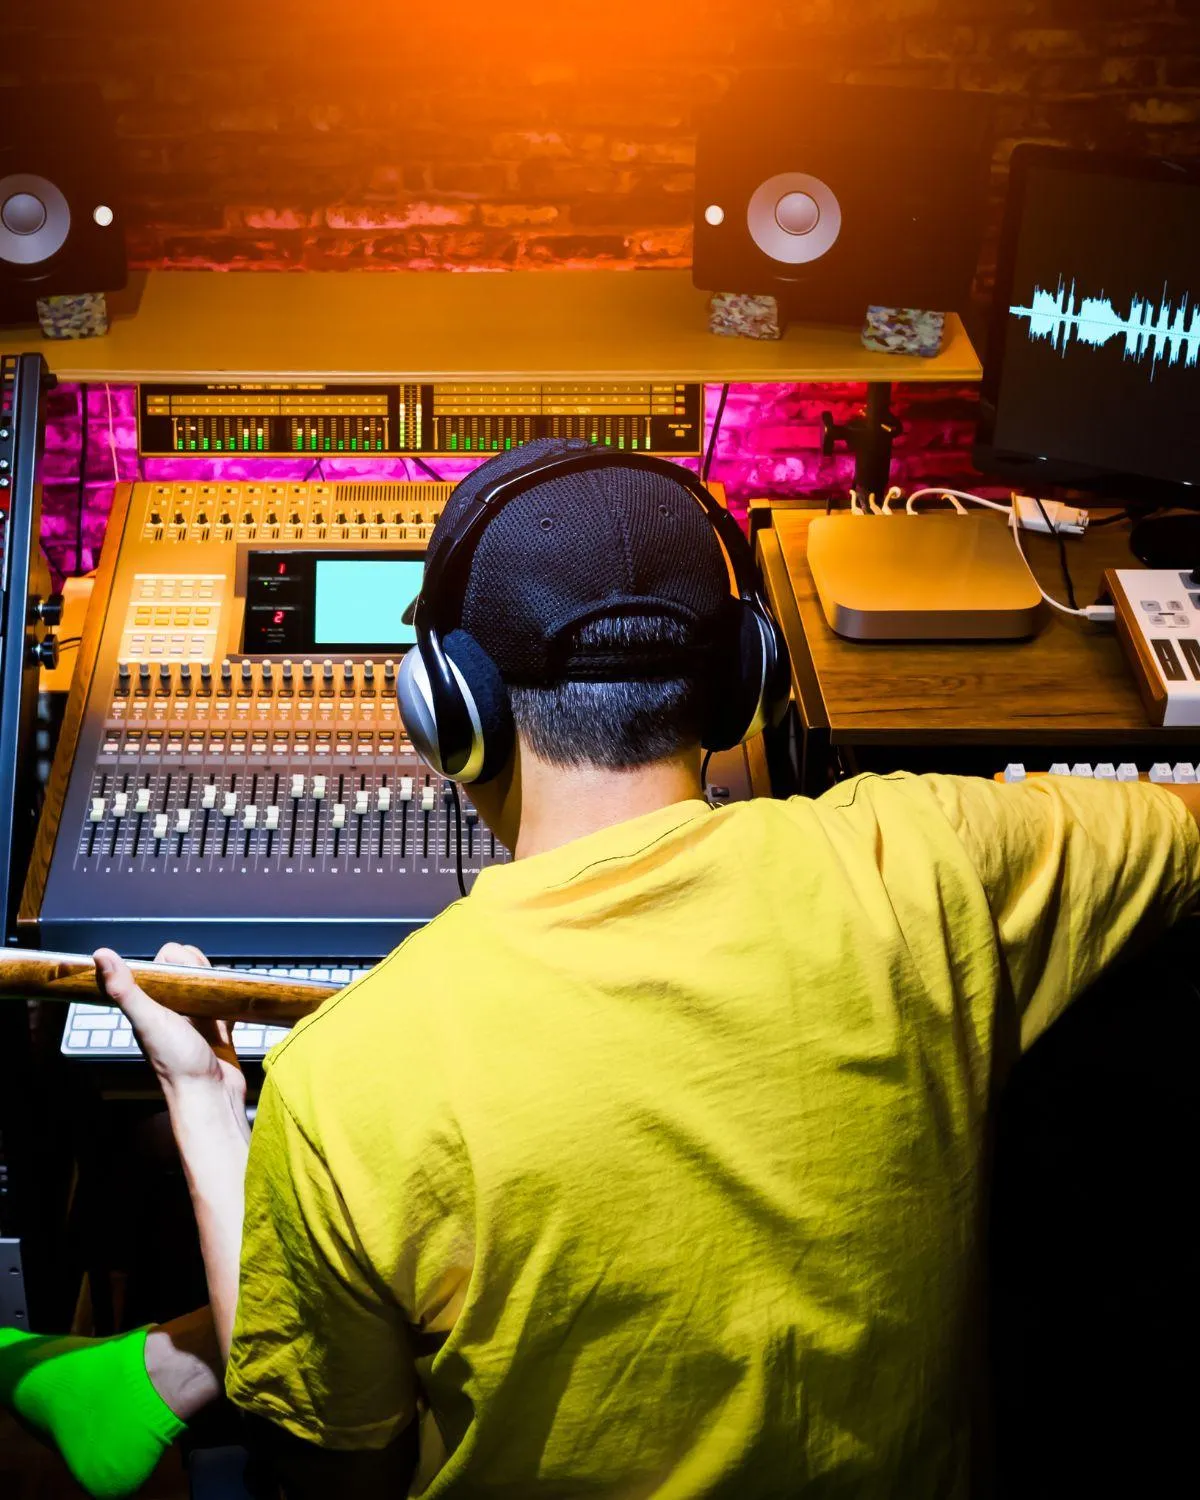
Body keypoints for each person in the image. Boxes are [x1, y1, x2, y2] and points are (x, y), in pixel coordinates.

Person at [3, 438, 1200, 1499]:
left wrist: (207, 1105)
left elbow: (331, 1470)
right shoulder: (931, 860)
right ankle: (153, 1369)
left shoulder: (350, 1076)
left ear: (449, 713)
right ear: (741, 682)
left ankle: (152, 1368)